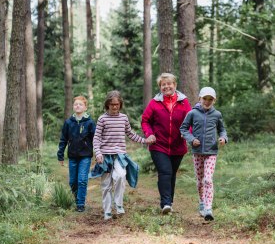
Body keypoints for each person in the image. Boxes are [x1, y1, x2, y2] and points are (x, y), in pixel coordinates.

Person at [91, 91, 151, 221]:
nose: (114, 107)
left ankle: (118, 204)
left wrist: (144, 140)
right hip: (105, 156)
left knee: (121, 175)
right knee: (106, 185)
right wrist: (98, 153)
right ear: (107, 104)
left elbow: (130, 134)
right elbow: (96, 139)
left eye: (117, 104)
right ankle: (107, 211)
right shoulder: (102, 119)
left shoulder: (123, 118)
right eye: (112, 104)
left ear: (120, 104)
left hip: (120, 155)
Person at [141, 73, 192, 214]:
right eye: (163, 84)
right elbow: (145, 121)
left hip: (178, 145)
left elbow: (191, 120)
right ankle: (165, 203)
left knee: (172, 174)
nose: (166, 86)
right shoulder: (154, 103)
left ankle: (169, 202)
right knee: (165, 172)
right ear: (160, 87)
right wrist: (149, 134)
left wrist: (187, 132)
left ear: (175, 85)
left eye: (169, 84)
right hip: (158, 144)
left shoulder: (184, 102)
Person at [179, 87, 228, 221]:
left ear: (214, 100)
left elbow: (222, 130)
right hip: (197, 152)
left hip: (212, 152)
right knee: (200, 181)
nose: (207, 101)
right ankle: (202, 202)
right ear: (199, 98)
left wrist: (223, 138)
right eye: (204, 99)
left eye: (210, 99)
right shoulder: (192, 113)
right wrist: (191, 139)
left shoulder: (217, 114)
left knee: (207, 179)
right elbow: (183, 129)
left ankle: (208, 209)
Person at [57, 96, 96, 212]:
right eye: (75, 104)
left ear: (85, 107)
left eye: (80, 104)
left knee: (82, 180)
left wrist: (99, 153)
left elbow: (96, 139)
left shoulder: (90, 122)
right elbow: (63, 139)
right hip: (73, 156)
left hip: (85, 156)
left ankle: (80, 204)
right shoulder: (69, 122)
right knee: (72, 181)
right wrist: (60, 154)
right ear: (73, 107)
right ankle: (77, 198)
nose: (77, 106)